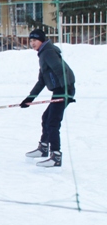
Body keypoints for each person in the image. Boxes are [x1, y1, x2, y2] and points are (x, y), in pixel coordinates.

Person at [21, 29, 76, 167]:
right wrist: (29, 98)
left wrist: (66, 91)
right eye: (31, 41)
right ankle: (43, 148)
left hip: (63, 89)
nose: (32, 43)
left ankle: (56, 156)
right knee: (46, 118)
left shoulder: (48, 52)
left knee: (52, 121)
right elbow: (42, 81)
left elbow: (60, 69)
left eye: (35, 40)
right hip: (61, 89)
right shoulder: (43, 54)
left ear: (42, 40)